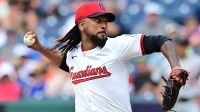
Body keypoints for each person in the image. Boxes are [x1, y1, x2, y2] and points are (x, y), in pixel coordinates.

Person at [24, 2, 186, 112]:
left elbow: (161, 40)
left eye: (105, 21)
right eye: (97, 20)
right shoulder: (74, 54)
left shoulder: (117, 45)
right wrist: (39, 48)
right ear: (81, 25)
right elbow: (64, 63)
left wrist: (175, 66)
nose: (104, 24)